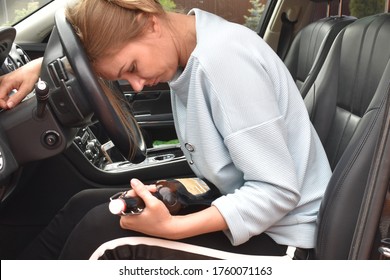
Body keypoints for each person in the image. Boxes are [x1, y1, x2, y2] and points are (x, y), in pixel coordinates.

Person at [0, 0, 332, 260]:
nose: (138, 86)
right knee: (83, 205)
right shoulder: (192, 46)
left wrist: (175, 228)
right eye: (125, 77)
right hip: (258, 219)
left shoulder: (223, 62)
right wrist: (44, 66)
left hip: (285, 244)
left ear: (151, 22)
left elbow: (278, 191)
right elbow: (110, 52)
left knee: (101, 234)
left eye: (132, 69)